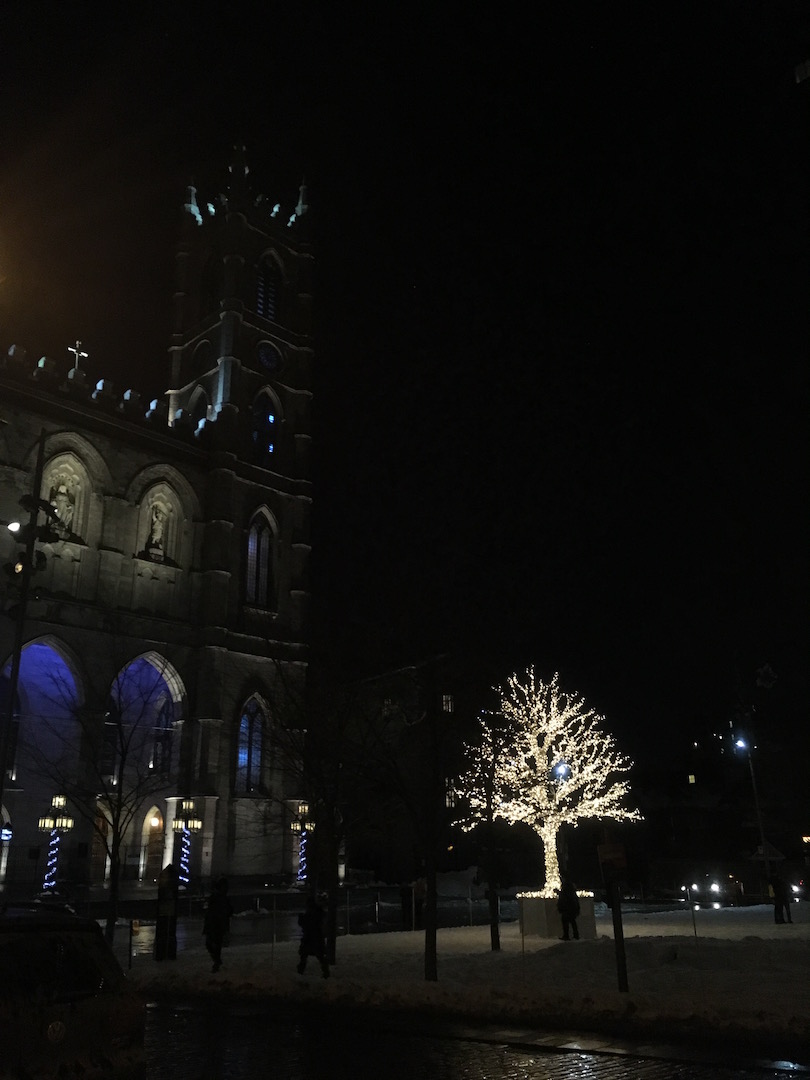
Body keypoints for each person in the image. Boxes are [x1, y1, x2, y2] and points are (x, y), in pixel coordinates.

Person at [203, 876, 233, 972]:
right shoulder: (222, 898)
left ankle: (217, 962)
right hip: (219, 924)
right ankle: (217, 962)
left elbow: (210, 911)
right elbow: (229, 911)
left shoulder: (216, 898)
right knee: (216, 944)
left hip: (215, 924)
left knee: (211, 944)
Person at [297, 895, 329, 978]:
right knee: (318, 955)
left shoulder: (312, 914)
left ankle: (301, 970)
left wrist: (302, 919)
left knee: (306, 955)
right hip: (315, 937)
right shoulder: (318, 913)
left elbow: (307, 924)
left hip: (311, 937)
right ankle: (325, 971)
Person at [154, 863, 179, 961]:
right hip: (167, 912)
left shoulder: (164, 889)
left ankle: (163, 953)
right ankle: (167, 953)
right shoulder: (170, 887)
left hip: (165, 912)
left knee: (164, 932)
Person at [557, 876, 580, 941]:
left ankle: (568, 936)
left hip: (568, 907)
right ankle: (574, 935)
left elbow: (566, 896)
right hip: (570, 907)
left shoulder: (567, 886)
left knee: (567, 921)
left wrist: (558, 893)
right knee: (571, 921)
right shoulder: (569, 886)